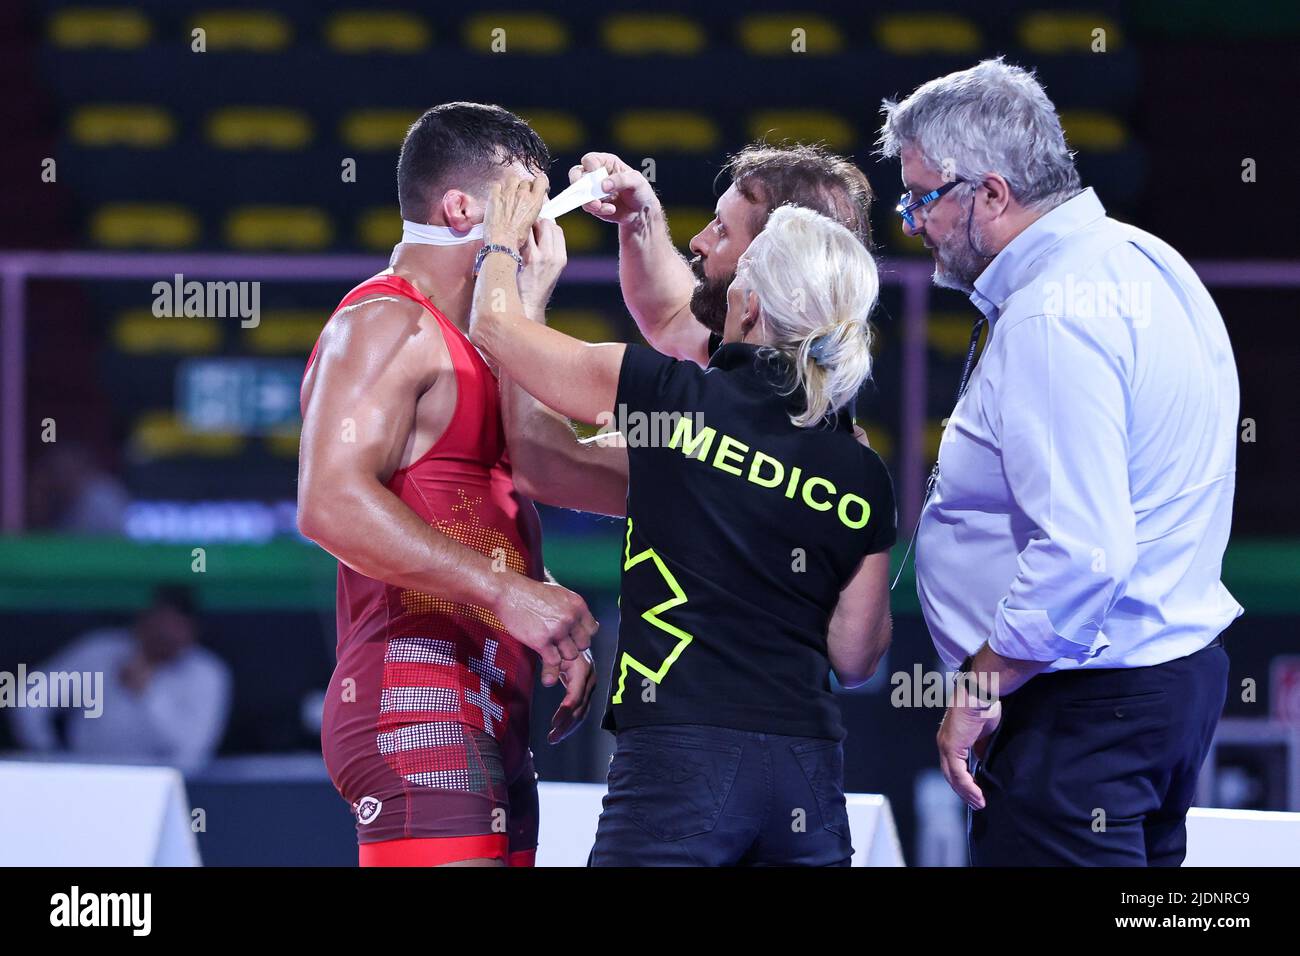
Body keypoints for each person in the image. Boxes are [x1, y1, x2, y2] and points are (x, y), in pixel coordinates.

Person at [469, 175, 897, 866]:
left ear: (751, 304)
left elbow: (495, 329)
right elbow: (856, 654)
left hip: (681, 762)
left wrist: (503, 250)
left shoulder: (668, 397)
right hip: (807, 775)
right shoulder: (860, 468)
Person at [878, 58, 1241, 865]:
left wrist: (979, 684)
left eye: (924, 197)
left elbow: (1085, 551)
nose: (911, 222)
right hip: (1159, 685)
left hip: (1083, 708)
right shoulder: (1148, 261)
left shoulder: (1052, 315)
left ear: (993, 193)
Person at [296, 102, 628, 868]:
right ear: (462, 209)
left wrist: (538, 594)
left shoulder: (482, 341)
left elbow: (490, 489)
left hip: (492, 708)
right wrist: (507, 592)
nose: (546, 225)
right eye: (527, 203)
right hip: (417, 694)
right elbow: (329, 500)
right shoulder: (384, 322)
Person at [567, 143, 873, 366]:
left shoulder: (734, 404)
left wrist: (525, 287)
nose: (698, 241)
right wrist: (640, 218)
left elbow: (555, 450)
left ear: (775, 260)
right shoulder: (763, 360)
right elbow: (669, 316)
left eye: (723, 230)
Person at [11, 585, 230, 774]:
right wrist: (49, 757)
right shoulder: (100, 652)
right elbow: (28, 700)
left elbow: (192, 753)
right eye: (159, 623)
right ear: (143, 620)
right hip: (86, 777)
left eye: (175, 627)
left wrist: (148, 693)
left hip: (159, 785)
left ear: (192, 631)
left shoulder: (207, 673)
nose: (165, 634)